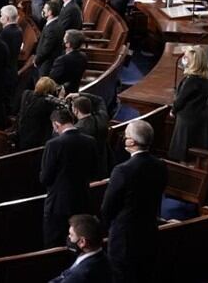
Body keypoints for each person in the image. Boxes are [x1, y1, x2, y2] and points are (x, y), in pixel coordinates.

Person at [101, 119, 168, 283]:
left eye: (126, 136)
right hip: (149, 232)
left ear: (131, 141)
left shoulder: (122, 170)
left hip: (124, 237)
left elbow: (107, 207)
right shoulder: (160, 166)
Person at [41, 107, 98, 247]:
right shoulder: (90, 141)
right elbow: (95, 171)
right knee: (78, 242)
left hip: (58, 203)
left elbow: (45, 178)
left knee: (53, 242)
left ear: (56, 124)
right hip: (82, 199)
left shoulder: (53, 144)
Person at [168, 45, 208, 161]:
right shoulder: (205, 78)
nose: (183, 60)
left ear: (193, 61)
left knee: (183, 152)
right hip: (198, 117)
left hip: (187, 120)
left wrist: (173, 111)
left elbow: (181, 100)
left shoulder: (192, 80)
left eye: (186, 57)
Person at [48, 214, 111, 283]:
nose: (69, 237)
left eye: (71, 235)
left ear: (82, 242)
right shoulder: (102, 256)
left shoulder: (80, 274)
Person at [71, 96, 108, 178]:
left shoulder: (77, 129)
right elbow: (100, 100)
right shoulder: (102, 117)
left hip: (88, 169)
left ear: (76, 110)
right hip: (104, 163)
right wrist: (79, 94)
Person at [0, 5, 23, 111]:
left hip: (4, 70)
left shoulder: (5, 32)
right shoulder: (18, 30)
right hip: (12, 68)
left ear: (7, 18)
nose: (0, 19)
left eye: (1, 16)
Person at [50, 30, 88, 94]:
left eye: (64, 40)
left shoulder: (62, 60)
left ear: (68, 44)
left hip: (60, 93)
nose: (62, 41)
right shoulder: (84, 56)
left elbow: (52, 79)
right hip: (74, 90)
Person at [36, 1, 65, 77]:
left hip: (46, 64)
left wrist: (37, 60)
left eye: (45, 8)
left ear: (50, 12)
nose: (43, 10)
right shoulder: (55, 23)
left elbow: (46, 49)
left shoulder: (51, 28)